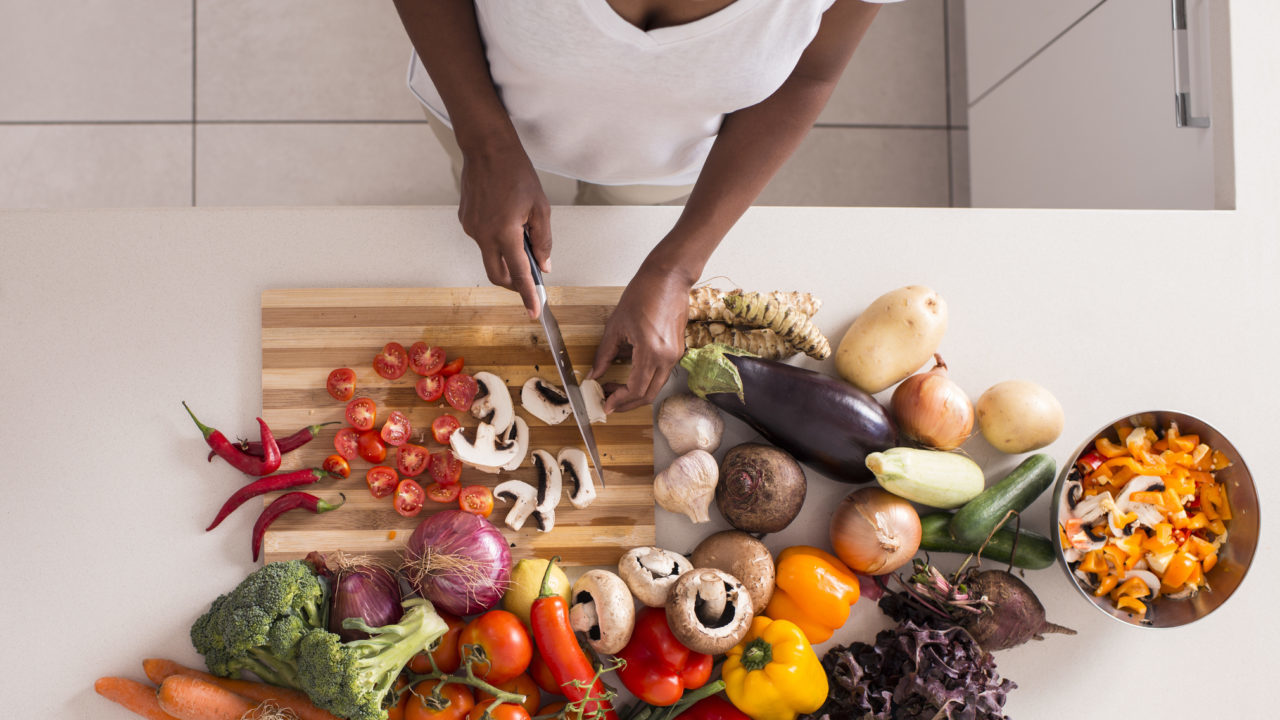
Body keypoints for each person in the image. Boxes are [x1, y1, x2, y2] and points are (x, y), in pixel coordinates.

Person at [393, 0, 896, 413]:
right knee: (482, 217)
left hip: (661, 164)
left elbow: (810, 73)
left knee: (616, 216)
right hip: (482, 110)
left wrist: (675, 268)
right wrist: (484, 144)